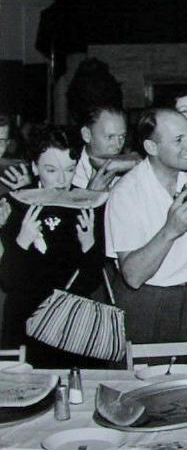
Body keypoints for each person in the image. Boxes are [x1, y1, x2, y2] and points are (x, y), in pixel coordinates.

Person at [104, 108, 187, 344]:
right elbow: (133, 276)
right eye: (179, 140)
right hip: (146, 303)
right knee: (147, 380)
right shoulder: (126, 193)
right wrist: (170, 230)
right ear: (151, 147)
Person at [0, 125, 104, 367]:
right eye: (51, 170)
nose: (61, 180)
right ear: (34, 167)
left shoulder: (88, 203)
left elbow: (91, 282)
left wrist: (89, 245)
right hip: (26, 324)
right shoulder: (12, 206)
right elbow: (8, 281)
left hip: (74, 324)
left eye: (69, 170)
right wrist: (22, 241)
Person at [71, 105, 130, 191]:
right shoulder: (69, 172)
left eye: (122, 136)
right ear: (86, 135)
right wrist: (91, 196)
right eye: (110, 137)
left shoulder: (127, 169)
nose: (118, 145)